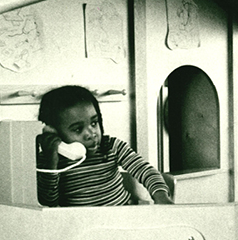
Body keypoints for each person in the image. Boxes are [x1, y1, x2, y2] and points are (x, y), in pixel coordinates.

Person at [36, 85, 173, 207]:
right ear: (53, 132)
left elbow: (144, 170)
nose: (91, 133)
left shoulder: (111, 146)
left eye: (94, 123)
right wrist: (51, 161)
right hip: (82, 227)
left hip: (120, 217)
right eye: (78, 129)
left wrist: (161, 196)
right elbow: (49, 202)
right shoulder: (49, 162)